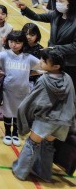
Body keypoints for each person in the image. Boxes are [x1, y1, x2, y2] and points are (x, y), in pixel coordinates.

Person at [12, 49, 76, 182]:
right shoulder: (68, 78)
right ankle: (44, 174)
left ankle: (20, 172)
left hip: (45, 120)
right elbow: (72, 101)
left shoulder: (44, 79)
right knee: (48, 145)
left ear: (56, 66)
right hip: (62, 122)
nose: (40, 61)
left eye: (44, 61)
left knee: (32, 144)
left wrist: (24, 116)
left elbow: (33, 102)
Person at [0, 31, 40, 146]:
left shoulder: (28, 57)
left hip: (23, 92)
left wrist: (29, 73)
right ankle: (7, 133)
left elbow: (43, 68)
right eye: (11, 42)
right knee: (7, 111)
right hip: (8, 90)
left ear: (23, 43)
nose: (14, 45)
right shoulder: (4, 55)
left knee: (18, 113)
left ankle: (15, 133)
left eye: (18, 42)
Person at [16, 0, 76, 82]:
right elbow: (37, 17)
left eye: (61, 1)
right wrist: (25, 9)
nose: (57, 3)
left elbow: (74, 46)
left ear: (71, 3)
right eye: (57, 1)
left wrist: (55, 48)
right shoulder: (55, 15)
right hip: (53, 60)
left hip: (69, 63)